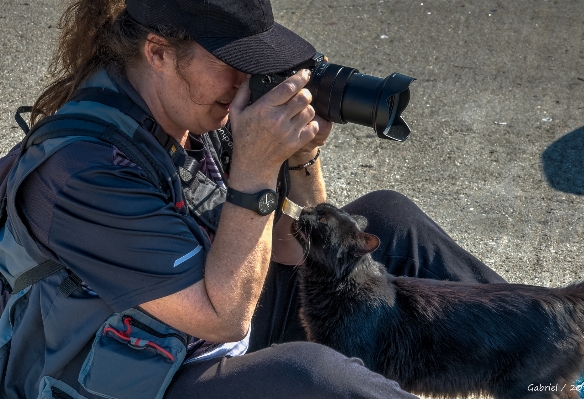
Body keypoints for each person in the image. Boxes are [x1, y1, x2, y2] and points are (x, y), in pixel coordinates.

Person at [0, 0, 508, 398]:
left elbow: (294, 251)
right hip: (126, 376)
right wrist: (256, 167)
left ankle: (549, 364)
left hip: (198, 320)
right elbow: (223, 319)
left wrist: (300, 160)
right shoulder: (83, 171)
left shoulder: (195, 114)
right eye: (230, 62)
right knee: (312, 377)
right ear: (157, 51)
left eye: (253, 62)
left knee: (386, 221)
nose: (246, 81)